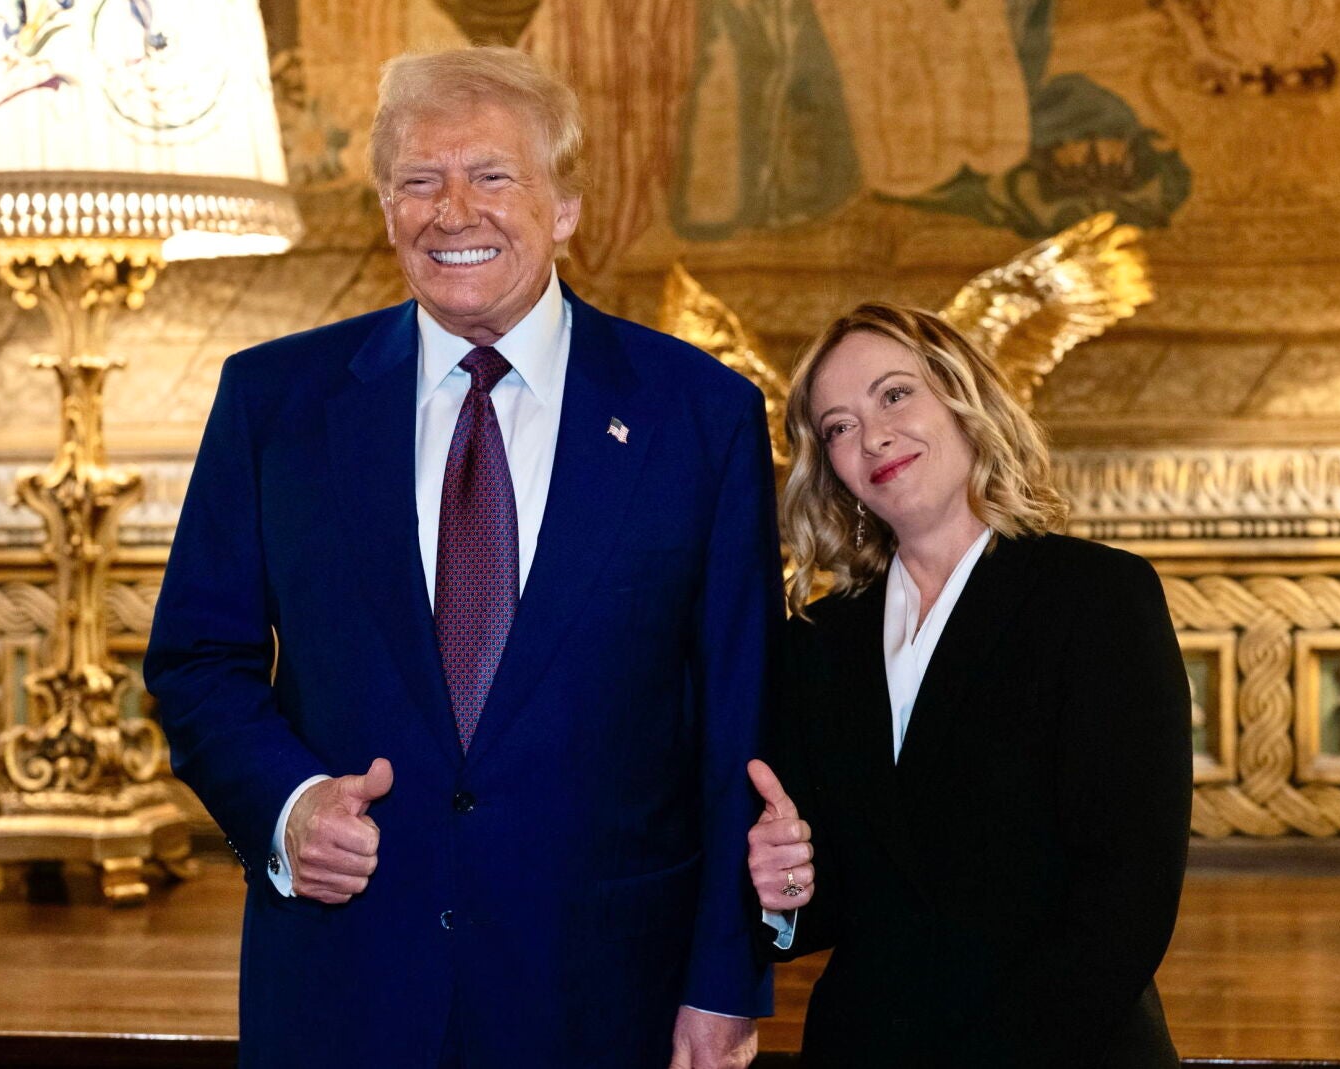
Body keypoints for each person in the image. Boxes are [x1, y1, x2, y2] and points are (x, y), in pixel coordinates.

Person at [145, 45, 777, 1069]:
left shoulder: (699, 415)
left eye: (491, 175)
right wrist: (290, 805)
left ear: (564, 207)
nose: (452, 211)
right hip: (345, 988)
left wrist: (724, 978)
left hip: (605, 994)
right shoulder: (276, 403)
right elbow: (196, 660)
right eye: (419, 182)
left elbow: (736, 716)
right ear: (386, 210)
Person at [744, 302, 1192, 1068]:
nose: (873, 436)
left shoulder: (1097, 597)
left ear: (964, 396)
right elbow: (828, 907)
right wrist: (781, 888)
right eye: (839, 426)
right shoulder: (817, 641)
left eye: (894, 394)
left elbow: (1129, 896)